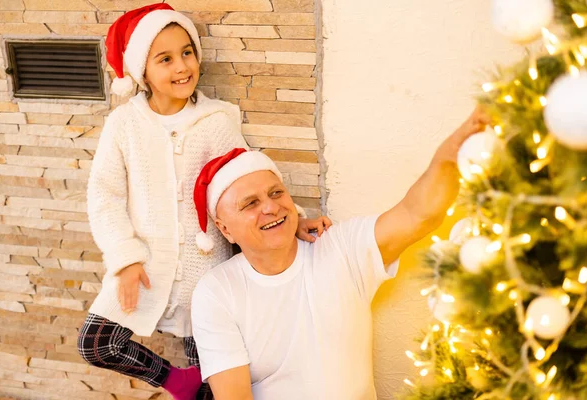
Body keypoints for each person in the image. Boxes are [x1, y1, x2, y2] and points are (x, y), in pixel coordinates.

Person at [76, 4, 330, 400]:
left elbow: (249, 182)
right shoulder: (124, 124)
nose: (182, 67)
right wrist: (125, 259)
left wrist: (291, 220)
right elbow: (104, 195)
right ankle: (178, 381)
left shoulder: (216, 121)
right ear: (143, 70)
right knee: (97, 342)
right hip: (145, 264)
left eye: (187, 53)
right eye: (165, 59)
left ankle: (198, 384)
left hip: (205, 268)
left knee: (215, 377)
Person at [190, 108, 490, 399]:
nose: (270, 207)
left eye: (276, 192)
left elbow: (418, 214)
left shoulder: (340, 248)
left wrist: (452, 152)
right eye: (250, 204)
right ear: (224, 229)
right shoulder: (216, 293)